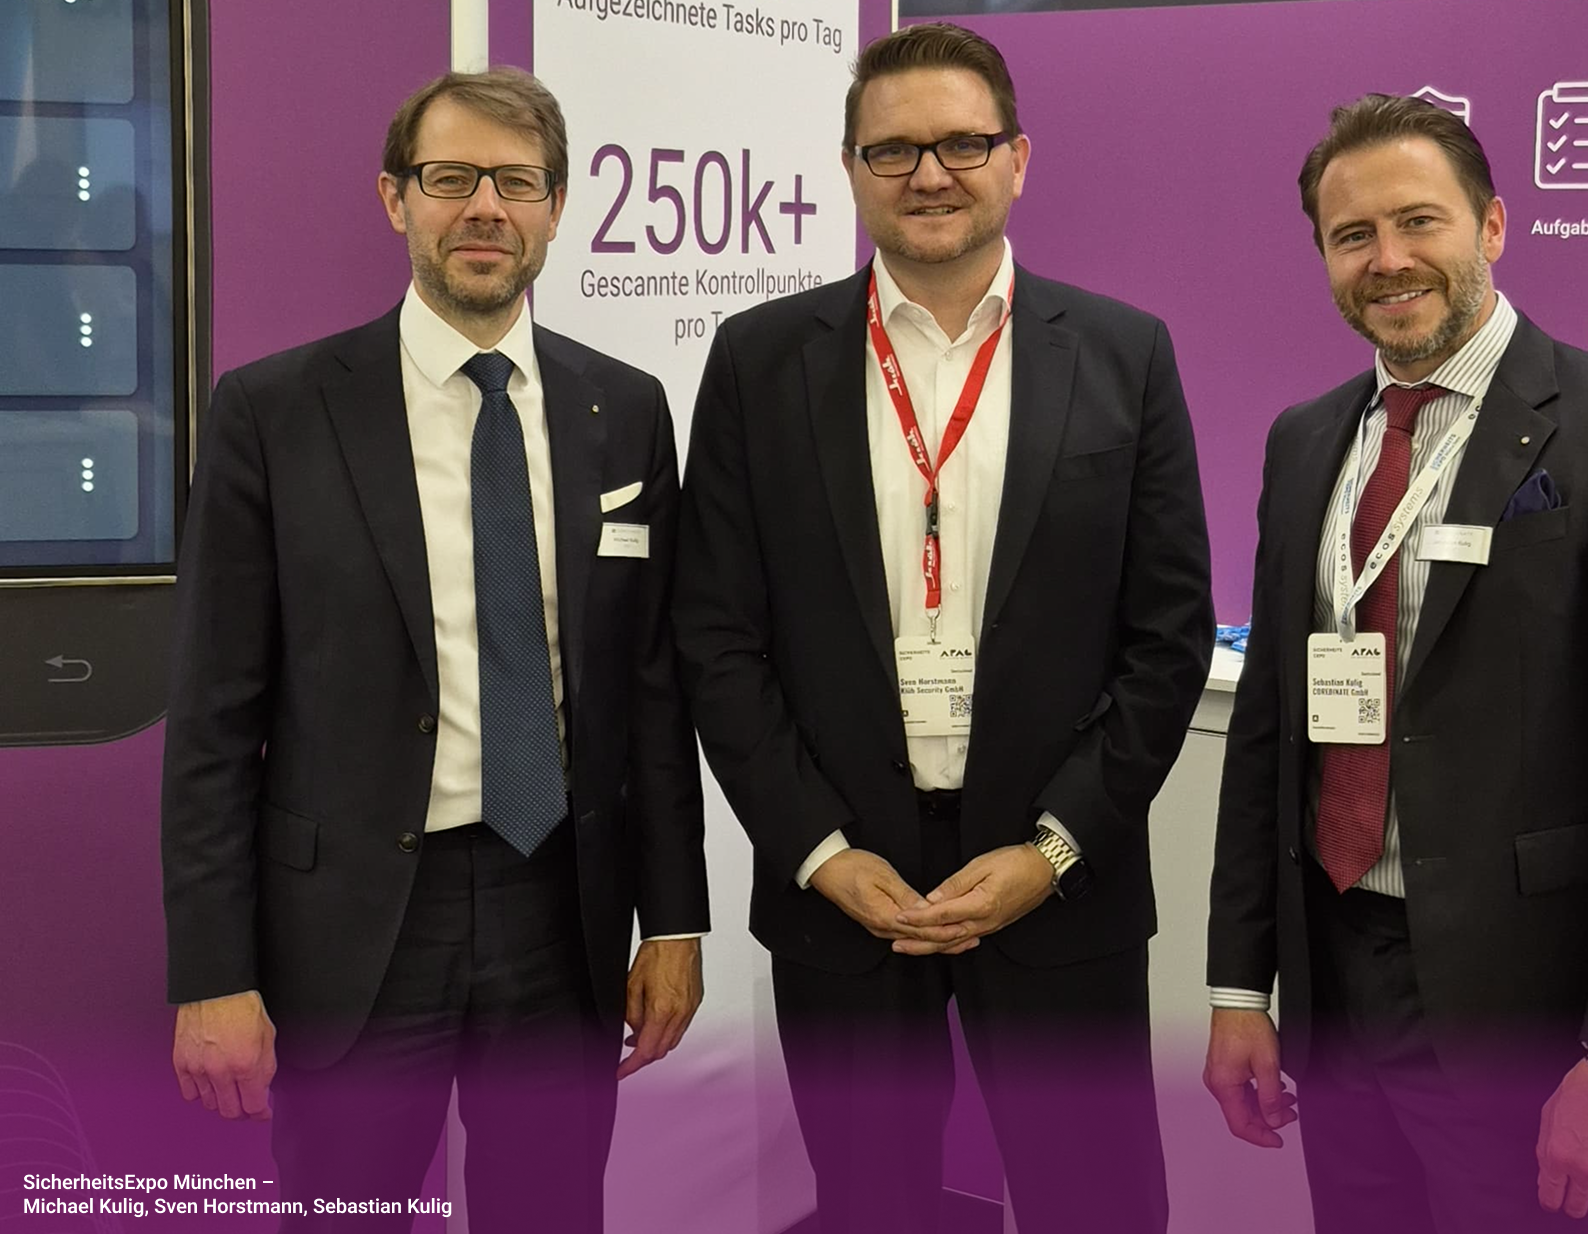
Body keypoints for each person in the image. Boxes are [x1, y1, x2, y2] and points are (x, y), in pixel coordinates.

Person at [673, 22, 1212, 1234]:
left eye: (963, 143)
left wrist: (1055, 848)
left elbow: (1168, 636)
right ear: (851, 167)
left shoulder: (1124, 354)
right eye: (895, 149)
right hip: (844, 889)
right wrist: (816, 848)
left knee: (1099, 1208)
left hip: (1059, 884)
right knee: (869, 1208)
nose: (930, 173)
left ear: (1018, 156)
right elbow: (717, 636)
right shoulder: (760, 360)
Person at [161, 68, 708, 1232]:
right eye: (452, 178)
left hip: (559, 910)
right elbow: (212, 722)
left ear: (557, 207)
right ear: (394, 198)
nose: (485, 208)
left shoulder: (625, 409)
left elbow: (652, 694)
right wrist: (213, 973)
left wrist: (673, 921)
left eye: (516, 182)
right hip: (353, 928)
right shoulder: (273, 412)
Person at [1203, 93, 1588, 1232]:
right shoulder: (1306, 440)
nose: (1388, 259)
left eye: (1419, 221)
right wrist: (1240, 985)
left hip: (1523, 1012)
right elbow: (1270, 733)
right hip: (1335, 985)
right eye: (1353, 235)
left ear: (1492, 224)